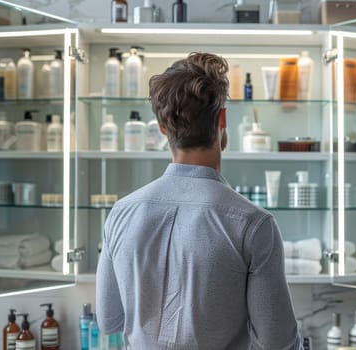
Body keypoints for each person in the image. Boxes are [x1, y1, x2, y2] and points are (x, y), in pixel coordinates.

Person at [96, 52, 302, 350]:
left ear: (163, 127)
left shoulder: (121, 213)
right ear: (222, 119)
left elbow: (109, 320)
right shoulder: (253, 224)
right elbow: (277, 342)